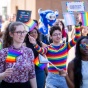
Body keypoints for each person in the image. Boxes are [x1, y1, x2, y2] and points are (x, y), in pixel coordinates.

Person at [0, 22, 37, 88]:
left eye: (24, 32)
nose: (22, 35)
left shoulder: (29, 51)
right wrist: (3, 74)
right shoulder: (4, 52)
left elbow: (32, 74)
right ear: (11, 34)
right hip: (8, 86)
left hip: (25, 85)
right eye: (19, 32)